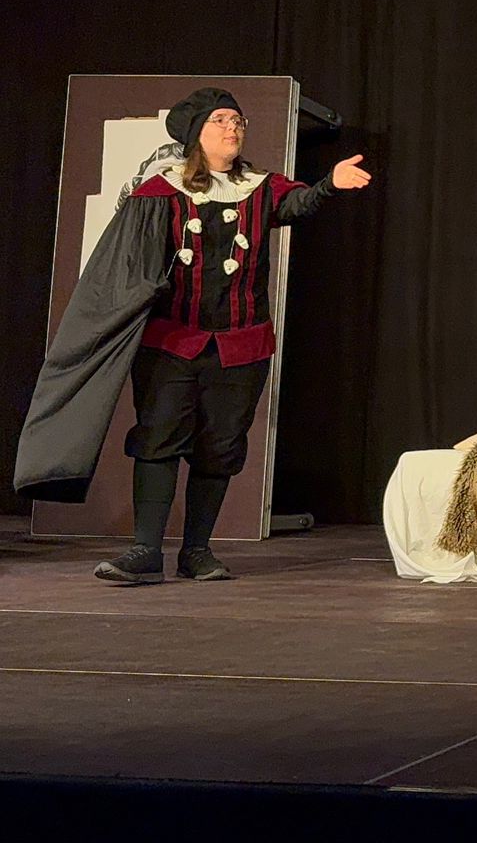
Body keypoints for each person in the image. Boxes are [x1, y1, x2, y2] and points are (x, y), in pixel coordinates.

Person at [13, 88, 372, 584]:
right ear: (196, 133)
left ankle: (197, 551)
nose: (233, 128)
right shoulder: (161, 190)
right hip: (172, 342)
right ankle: (145, 550)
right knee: (158, 440)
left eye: (238, 121)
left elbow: (299, 203)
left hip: (240, 345)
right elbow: (127, 260)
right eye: (221, 120)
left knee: (219, 447)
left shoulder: (260, 187)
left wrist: (329, 183)